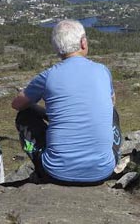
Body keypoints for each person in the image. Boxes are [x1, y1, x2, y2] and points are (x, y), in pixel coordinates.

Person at [12, 19, 120, 185]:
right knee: (112, 113)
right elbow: (111, 103)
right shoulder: (102, 70)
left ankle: (35, 154)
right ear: (83, 42)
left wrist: (30, 101)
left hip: (55, 173)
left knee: (24, 116)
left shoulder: (47, 76)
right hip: (103, 171)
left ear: (57, 48)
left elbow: (17, 105)